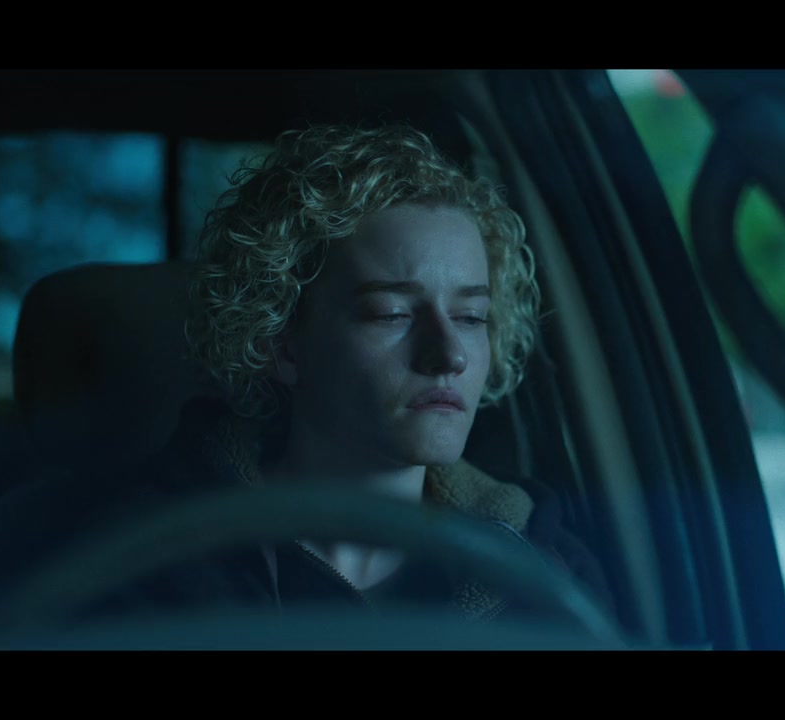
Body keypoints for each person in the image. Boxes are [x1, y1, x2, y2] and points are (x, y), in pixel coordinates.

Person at [73, 123, 612, 628]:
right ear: (281, 343)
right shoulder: (139, 564)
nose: (450, 355)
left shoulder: (548, 569)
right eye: (391, 313)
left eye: (471, 317)